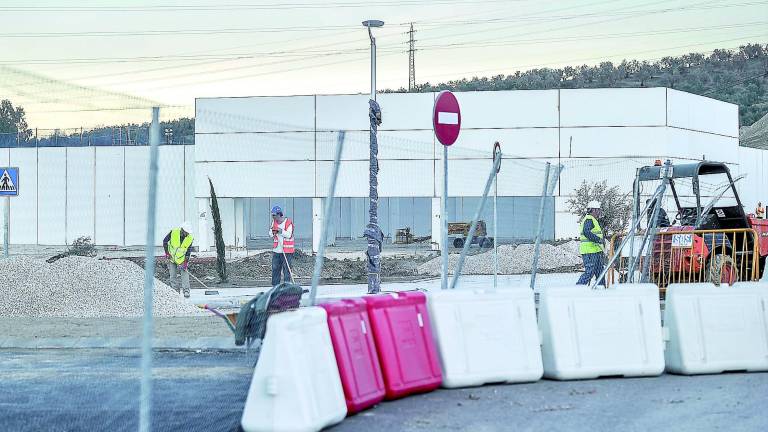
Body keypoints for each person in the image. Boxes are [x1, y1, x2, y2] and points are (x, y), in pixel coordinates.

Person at [577, 201, 606, 286]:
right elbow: (586, 232)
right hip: (589, 251)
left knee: (600, 271)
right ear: (593, 210)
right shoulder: (589, 219)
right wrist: (598, 239)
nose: (599, 212)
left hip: (595, 250)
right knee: (590, 272)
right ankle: (578, 288)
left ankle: (601, 289)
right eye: (598, 210)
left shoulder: (592, 220)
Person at [163, 221, 194, 298]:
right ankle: (175, 291)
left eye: (188, 232)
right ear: (182, 230)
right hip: (171, 258)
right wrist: (167, 253)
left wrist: (185, 263)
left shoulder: (190, 238)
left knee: (185, 274)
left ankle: (186, 291)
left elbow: (188, 251)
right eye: (186, 232)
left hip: (181, 259)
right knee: (173, 275)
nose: (187, 234)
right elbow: (165, 241)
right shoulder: (173, 232)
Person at [269, 205, 295, 287]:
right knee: (275, 268)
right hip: (277, 250)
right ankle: (275, 286)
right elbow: (270, 234)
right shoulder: (274, 223)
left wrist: (280, 231)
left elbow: (289, 235)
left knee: (286, 269)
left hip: (287, 251)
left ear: (279, 214)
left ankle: (287, 286)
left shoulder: (288, 223)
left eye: (274, 215)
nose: (273, 217)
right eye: (272, 215)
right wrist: (273, 232)